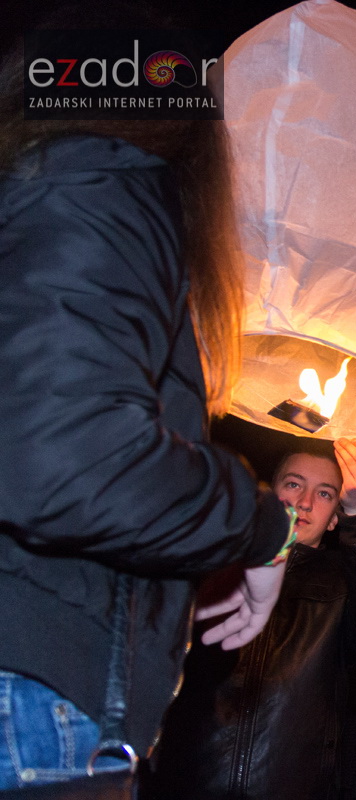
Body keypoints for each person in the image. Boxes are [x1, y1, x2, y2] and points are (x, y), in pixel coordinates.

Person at [0, 15, 294, 790]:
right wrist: (265, 526)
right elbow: (65, 456)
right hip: (27, 699)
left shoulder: (44, 187)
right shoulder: (102, 181)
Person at [147, 437, 356, 800]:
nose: (304, 502)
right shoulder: (213, 568)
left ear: (336, 516)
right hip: (185, 787)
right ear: (268, 495)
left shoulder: (344, 588)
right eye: (293, 484)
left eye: (323, 494)